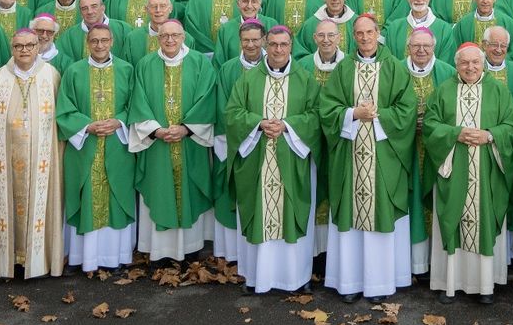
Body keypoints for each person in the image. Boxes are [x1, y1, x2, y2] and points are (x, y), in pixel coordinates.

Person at [319, 14, 417, 301]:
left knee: (380, 218)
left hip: (384, 157)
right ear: (353, 36)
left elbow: (407, 109)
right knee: (351, 217)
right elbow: (327, 109)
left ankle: (379, 285)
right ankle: (349, 283)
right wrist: (352, 114)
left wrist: (377, 115)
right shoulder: (343, 69)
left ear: (378, 33)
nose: (364, 38)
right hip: (350, 160)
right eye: (359, 34)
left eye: (369, 33)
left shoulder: (395, 68)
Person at [223, 25, 322, 294]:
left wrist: (288, 126)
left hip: (292, 159)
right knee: (259, 213)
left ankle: (296, 278)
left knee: (292, 212)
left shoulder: (305, 79)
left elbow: (316, 115)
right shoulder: (248, 78)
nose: (279, 50)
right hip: (257, 159)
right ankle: (257, 278)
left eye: (284, 45)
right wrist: (258, 123)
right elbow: (232, 113)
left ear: (291, 46)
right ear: (267, 44)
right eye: (274, 44)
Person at [0, 26, 67, 281]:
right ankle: (4, 260)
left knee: (40, 201)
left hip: (41, 161)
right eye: (19, 46)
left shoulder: (51, 76)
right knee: (3, 203)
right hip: (5, 159)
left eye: (30, 46)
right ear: (12, 48)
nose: (24, 51)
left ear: (38, 47)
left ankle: (38, 261)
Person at [425, 44, 513, 304]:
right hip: (453, 170)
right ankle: (449, 284)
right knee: (452, 219)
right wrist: (456, 134)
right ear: (456, 65)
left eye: (475, 63)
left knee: (483, 220)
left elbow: (511, 126)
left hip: (487, 169)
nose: (470, 67)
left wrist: (490, 135)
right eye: (464, 63)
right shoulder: (443, 90)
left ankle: (484, 285)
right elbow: (430, 125)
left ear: (483, 63)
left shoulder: (498, 91)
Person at [129, 18, 218, 262]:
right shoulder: (146, 65)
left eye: (175, 35)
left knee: (189, 189)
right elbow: (139, 101)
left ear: (183, 37)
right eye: (164, 36)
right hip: (158, 144)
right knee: (159, 189)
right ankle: (160, 253)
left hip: (190, 143)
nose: (170, 40)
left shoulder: (200, 62)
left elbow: (208, 99)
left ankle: (191, 249)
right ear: (157, 38)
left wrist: (187, 129)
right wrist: (156, 130)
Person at [55, 22, 137, 275]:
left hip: (117, 144)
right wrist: (87, 126)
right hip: (85, 145)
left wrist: (119, 121)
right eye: (94, 41)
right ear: (87, 43)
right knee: (85, 195)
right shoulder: (74, 71)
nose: (99, 45)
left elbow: (137, 104)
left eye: (104, 40)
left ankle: (117, 257)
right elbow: (64, 108)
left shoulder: (126, 69)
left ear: (112, 41)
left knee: (116, 194)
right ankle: (82, 257)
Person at [403, 27, 454, 278]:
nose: (421, 51)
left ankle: (438, 261)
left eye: (426, 46)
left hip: (438, 149)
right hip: (406, 147)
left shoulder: (447, 72)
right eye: (416, 46)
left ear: (434, 47)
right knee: (409, 198)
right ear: (408, 48)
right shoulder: (397, 70)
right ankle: (412, 262)